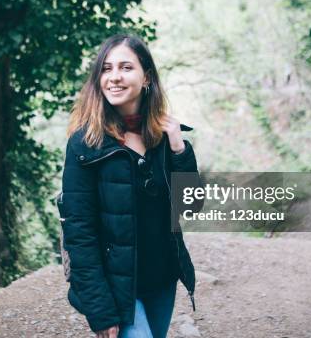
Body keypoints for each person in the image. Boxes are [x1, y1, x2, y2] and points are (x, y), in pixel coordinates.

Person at [58, 34, 203, 338]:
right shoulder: (85, 144)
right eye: (107, 69)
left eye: (126, 67)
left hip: (162, 280)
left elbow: (191, 205)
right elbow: (79, 233)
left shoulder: (164, 137)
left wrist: (179, 149)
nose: (114, 77)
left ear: (146, 77)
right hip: (117, 289)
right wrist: (100, 310)